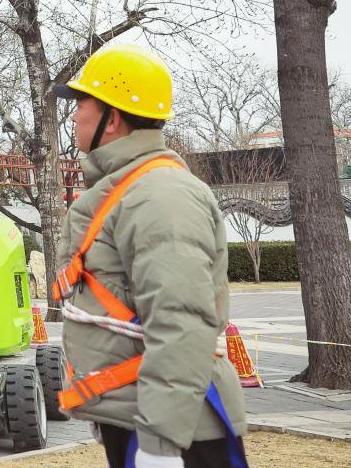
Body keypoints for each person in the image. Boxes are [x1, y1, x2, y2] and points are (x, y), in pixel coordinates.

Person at [51, 44, 250, 468]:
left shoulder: (160, 194)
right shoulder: (133, 188)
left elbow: (181, 321)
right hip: (144, 417)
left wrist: (161, 444)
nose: (73, 116)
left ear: (112, 119)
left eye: (81, 104)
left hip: (177, 434)